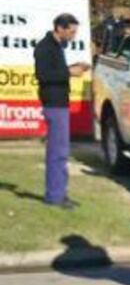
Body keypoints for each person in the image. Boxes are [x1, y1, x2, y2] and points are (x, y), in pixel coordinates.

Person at [33, 13, 89, 209]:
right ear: (60, 28)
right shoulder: (44, 47)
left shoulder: (57, 46)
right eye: (71, 31)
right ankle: (54, 196)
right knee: (58, 152)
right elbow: (43, 75)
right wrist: (69, 72)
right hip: (53, 104)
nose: (74, 35)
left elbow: (55, 70)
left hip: (60, 103)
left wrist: (74, 67)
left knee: (61, 151)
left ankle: (59, 193)